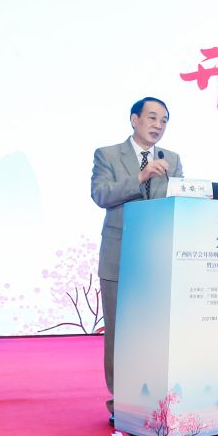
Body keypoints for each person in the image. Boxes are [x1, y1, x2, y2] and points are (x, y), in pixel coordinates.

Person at [91, 96, 183, 419]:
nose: (159, 125)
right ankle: (121, 402)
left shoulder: (171, 159)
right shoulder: (107, 155)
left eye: (164, 120)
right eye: (153, 118)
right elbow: (101, 194)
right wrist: (140, 178)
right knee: (119, 332)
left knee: (154, 332)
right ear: (135, 120)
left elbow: (180, 200)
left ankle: (152, 397)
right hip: (119, 256)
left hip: (157, 260)